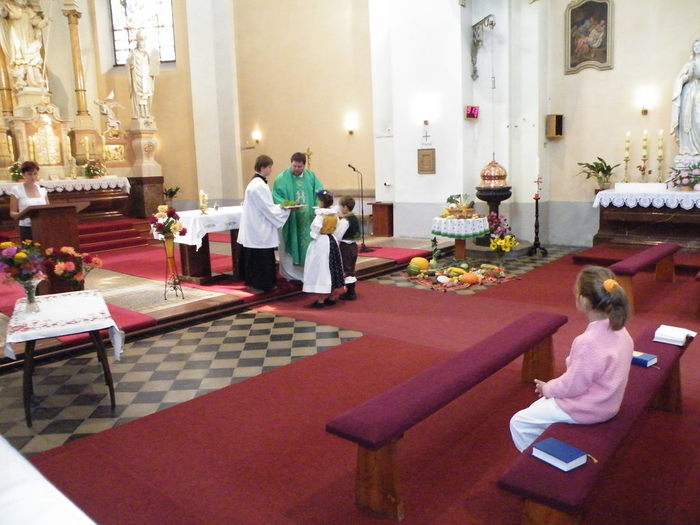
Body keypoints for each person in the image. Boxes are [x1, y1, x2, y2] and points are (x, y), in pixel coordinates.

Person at [509, 266, 633, 452]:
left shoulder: (588, 342)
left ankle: (541, 462)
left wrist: (547, 388)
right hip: (608, 403)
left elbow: (573, 386)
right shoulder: (620, 330)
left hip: (588, 408)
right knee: (537, 407)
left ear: (583, 300)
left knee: (520, 422)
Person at [237, 155, 290, 293]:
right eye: (269, 167)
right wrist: (286, 209)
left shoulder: (258, 183)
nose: (271, 170)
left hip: (258, 226)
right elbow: (267, 208)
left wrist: (281, 208)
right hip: (258, 228)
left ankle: (265, 283)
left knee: (262, 256)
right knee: (260, 258)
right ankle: (260, 284)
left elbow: (266, 206)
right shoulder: (258, 186)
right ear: (262, 167)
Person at [272, 152, 324, 281]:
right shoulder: (281, 178)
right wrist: (287, 204)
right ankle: (292, 275)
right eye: (294, 166)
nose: (296, 169)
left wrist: (319, 204)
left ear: (304, 165)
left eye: (299, 166)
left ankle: (308, 274)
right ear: (291, 163)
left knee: (309, 246)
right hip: (292, 219)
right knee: (293, 243)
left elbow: (320, 192)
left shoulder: (311, 176)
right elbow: (276, 196)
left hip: (308, 219)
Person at [302, 190, 348, 308]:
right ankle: (332, 296)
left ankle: (321, 299)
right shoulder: (334, 215)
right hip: (332, 241)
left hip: (321, 243)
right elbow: (337, 228)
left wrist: (313, 236)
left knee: (321, 269)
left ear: (322, 202)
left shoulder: (320, 216)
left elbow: (314, 231)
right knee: (332, 267)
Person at [0, 0, 48, 89]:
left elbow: (37, 23)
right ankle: (21, 79)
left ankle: (34, 79)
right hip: (17, 36)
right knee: (20, 57)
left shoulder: (28, 10)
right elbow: (4, 14)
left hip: (28, 37)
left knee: (32, 56)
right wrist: (4, 8)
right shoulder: (10, 7)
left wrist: (46, 20)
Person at [671, 39, 700, 157]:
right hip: (689, 93)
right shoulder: (689, 64)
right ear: (692, 49)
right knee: (689, 120)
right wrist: (688, 77)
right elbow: (679, 80)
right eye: (695, 46)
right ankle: (689, 149)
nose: (697, 48)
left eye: (699, 46)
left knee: (698, 119)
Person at [9, 160, 49, 242]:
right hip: (26, 227)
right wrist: (23, 214)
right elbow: (12, 213)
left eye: (35, 174)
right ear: (23, 174)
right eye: (30, 174)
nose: (33, 177)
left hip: (43, 227)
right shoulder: (16, 190)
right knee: (30, 250)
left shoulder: (42, 190)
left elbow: (48, 209)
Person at [127, 31, 159, 120]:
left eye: (143, 41)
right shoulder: (133, 53)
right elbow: (129, 64)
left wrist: (154, 63)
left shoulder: (149, 53)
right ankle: (139, 114)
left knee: (147, 95)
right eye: (140, 41)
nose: (141, 43)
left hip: (146, 78)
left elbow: (154, 67)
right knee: (138, 95)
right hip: (137, 78)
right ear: (137, 42)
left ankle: (147, 113)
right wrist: (131, 63)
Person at [337, 195, 360, 300]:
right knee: (350, 268)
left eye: (341, 206)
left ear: (345, 207)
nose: (340, 208)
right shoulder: (354, 218)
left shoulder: (345, 221)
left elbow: (338, 235)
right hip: (353, 246)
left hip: (346, 247)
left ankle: (351, 293)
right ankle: (350, 291)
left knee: (347, 269)